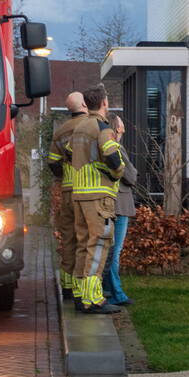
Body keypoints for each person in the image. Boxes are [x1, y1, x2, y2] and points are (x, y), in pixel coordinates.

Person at [70, 83, 125, 314]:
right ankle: (93, 299)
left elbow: (69, 155)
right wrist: (118, 171)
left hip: (79, 194)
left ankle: (80, 293)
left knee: (83, 245)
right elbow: (112, 157)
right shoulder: (102, 128)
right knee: (99, 245)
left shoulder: (79, 127)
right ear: (104, 103)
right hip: (98, 197)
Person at [47, 91, 89, 300]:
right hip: (87, 191)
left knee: (68, 239)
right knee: (85, 240)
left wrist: (65, 176)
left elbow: (53, 162)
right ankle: (83, 289)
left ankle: (67, 286)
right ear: (84, 104)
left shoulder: (60, 131)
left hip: (67, 191)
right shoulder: (91, 126)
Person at [102, 114, 137, 306]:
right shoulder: (117, 148)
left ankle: (108, 288)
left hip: (110, 202)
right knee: (115, 251)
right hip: (120, 204)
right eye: (121, 125)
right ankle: (117, 293)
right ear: (116, 128)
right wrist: (133, 173)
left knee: (109, 250)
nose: (123, 129)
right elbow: (131, 175)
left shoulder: (104, 148)